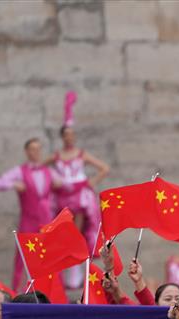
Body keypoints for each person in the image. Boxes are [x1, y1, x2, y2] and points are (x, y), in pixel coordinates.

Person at [47, 92, 110, 287]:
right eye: (66, 135)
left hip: (80, 196)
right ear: (62, 137)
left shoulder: (81, 154)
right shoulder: (57, 156)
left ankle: (82, 269)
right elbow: (40, 169)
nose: (70, 138)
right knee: (67, 232)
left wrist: (91, 181)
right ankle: (71, 271)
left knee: (80, 232)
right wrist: (52, 182)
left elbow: (104, 168)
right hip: (63, 196)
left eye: (72, 135)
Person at [0, 137, 62, 289]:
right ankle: (16, 293)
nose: (36, 152)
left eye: (38, 149)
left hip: (47, 221)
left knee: (52, 258)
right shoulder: (19, 171)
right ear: (27, 151)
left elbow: (66, 184)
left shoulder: (49, 171)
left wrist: (60, 184)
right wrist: (13, 184)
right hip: (28, 221)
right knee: (21, 259)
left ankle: (54, 294)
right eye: (32, 149)